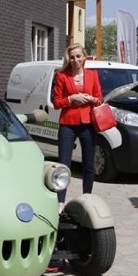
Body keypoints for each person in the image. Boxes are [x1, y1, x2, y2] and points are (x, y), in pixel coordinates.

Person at [51, 43, 103, 213]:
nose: (75, 60)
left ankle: (86, 199)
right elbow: (56, 103)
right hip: (68, 124)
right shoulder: (61, 76)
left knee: (88, 165)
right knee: (64, 165)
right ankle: (60, 202)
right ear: (69, 59)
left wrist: (90, 99)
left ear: (84, 57)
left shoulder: (93, 75)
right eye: (72, 57)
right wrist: (71, 98)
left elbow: (99, 99)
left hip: (88, 124)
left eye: (78, 56)